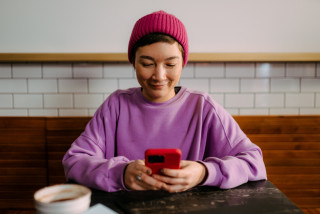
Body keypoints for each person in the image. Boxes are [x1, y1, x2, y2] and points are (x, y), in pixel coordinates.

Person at [62, 10, 267, 193]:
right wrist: (121, 173)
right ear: (133, 61)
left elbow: (254, 162)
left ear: (183, 63)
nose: (159, 76)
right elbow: (74, 162)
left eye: (170, 64)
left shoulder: (203, 107)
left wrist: (204, 172)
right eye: (147, 64)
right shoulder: (116, 105)